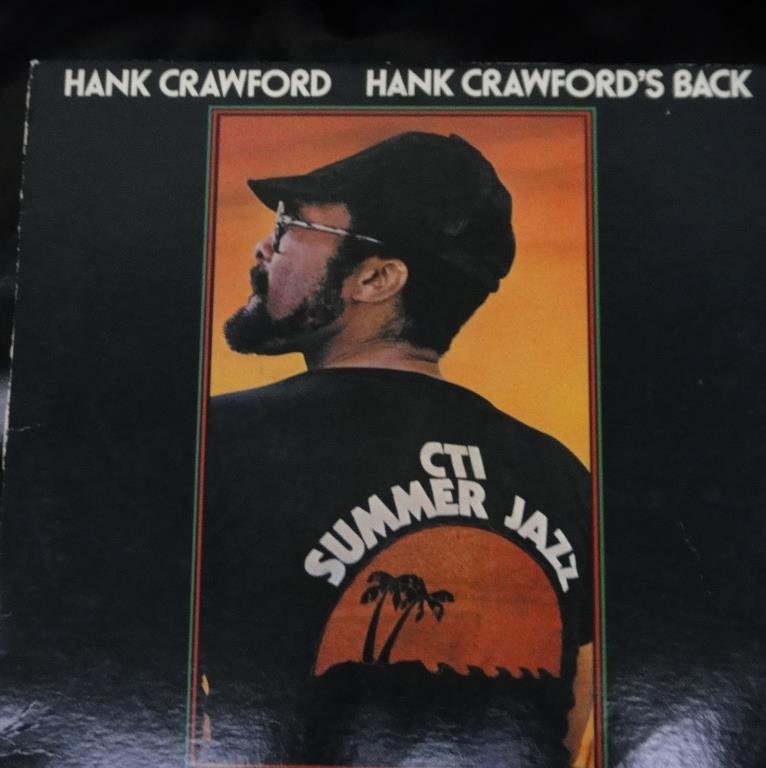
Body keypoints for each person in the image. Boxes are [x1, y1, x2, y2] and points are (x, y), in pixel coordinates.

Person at [196, 131, 594, 767]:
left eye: (291, 226)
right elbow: (568, 717)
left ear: (376, 279)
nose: (264, 248)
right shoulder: (564, 479)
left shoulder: (211, 444)